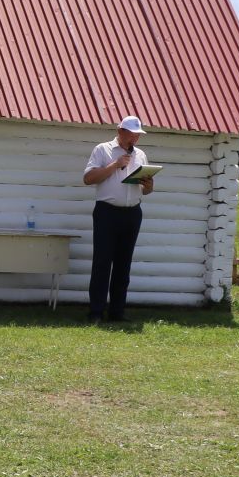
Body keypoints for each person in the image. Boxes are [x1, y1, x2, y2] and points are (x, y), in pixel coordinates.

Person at [82, 116, 153, 323]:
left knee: (124, 265)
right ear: (120, 131)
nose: (135, 139)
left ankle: (117, 312)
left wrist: (148, 185)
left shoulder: (141, 155)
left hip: (132, 213)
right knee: (102, 263)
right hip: (107, 212)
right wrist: (115, 165)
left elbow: (147, 191)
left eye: (138, 135)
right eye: (132, 134)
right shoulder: (102, 150)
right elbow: (88, 179)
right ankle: (95, 312)